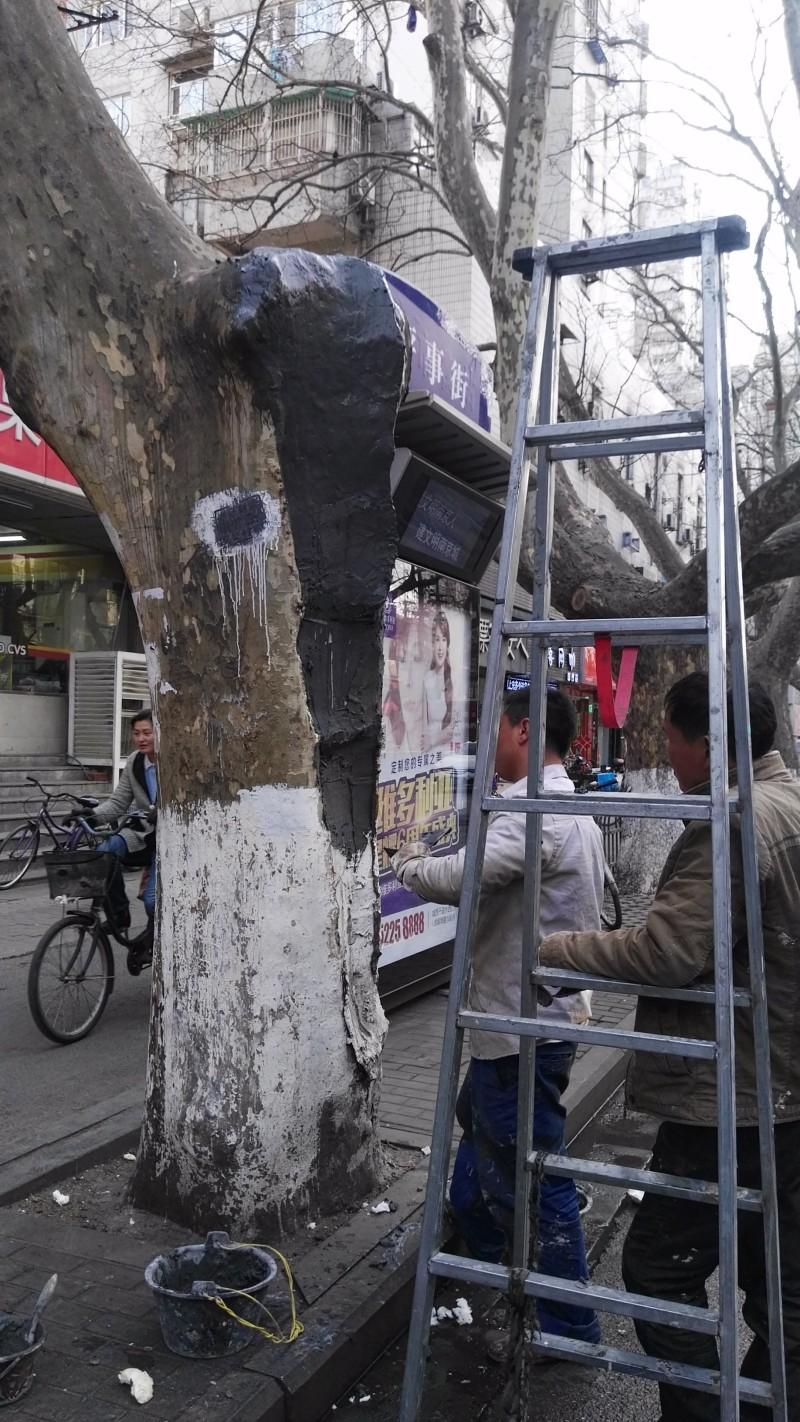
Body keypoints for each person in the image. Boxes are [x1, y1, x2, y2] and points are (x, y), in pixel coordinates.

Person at [538, 673, 800, 1421]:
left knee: (659, 1267)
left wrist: (556, 949)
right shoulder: (792, 802)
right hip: (783, 1084)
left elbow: (668, 953)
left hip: (736, 1094)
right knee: (776, 1278)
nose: (669, 753)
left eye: (673, 738)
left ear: (708, 745)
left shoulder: (734, 821)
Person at [392, 688, 605, 1357]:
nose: (483, 747)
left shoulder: (533, 807)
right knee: (482, 1135)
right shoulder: (567, 807)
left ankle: (565, 1327)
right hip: (529, 1023)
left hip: (523, 1028)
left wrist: (403, 865)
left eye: (491, 732)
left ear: (522, 729)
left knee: (534, 1176)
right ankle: (496, 1268)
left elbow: (468, 874)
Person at [92, 709, 158, 950]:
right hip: (141, 835)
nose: (141, 739)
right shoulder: (134, 761)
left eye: (147, 733)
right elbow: (118, 803)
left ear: (159, 732)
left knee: (152, 902)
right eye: (137, 733)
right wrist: (91, 817)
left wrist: (164, 810)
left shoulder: (174, 762)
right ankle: (120, 916)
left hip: (168, 842)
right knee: (105, 850)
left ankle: (154, 940)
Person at [421, 609, 454, 752]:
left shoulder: (453, 678)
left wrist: (433, 740)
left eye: (444, 639)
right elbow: (422, 724)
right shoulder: (427, 679)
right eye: (437, 639)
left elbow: (453, 728)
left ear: (448, 644)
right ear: (432, 644)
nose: (440, 647)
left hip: (446, 754)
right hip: (428, 756)